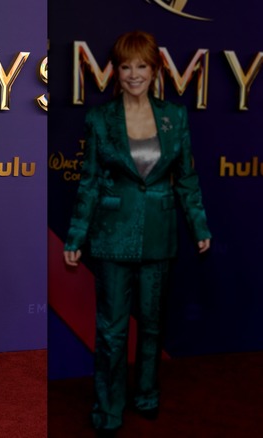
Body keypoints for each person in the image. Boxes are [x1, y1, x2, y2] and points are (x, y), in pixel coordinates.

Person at [63, 30, 211, 436]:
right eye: (126, 66)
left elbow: (187, 178)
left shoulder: (175, 116)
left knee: (151, 325)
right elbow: (89, 181)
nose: (133, 74)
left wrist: (199, 225)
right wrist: (75, 237)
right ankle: (108, 407)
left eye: (141, 66)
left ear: (155, 69)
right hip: (112, 237)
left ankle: (146, 394)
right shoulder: (100, 119)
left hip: (160, 235)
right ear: (116, 71)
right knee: (111, 328)